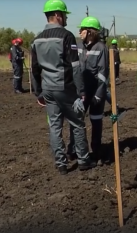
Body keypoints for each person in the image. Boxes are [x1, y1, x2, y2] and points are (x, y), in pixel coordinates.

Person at [31, 0, 95, 175]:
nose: (66, 18)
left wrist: (39, 93)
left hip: (48, 89)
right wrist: (81, 91)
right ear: (58, 15)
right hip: (65, 88)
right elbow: (75, 67)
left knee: (54, 126)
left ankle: (61, 164)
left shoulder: (36, 39)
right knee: (77, 123)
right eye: (65, 15)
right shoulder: (66, 37)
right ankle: (83, 160)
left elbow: (34, 69)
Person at [67, 16, 109, 163]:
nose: (79, 32)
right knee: (76, 121)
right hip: (81, 92)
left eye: (82, 29)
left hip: (96, 91)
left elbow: (103, 73)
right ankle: (73, 150)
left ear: (90, 32)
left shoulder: (101, 48)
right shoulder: (77, 46)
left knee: (96, 121)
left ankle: (96, 151)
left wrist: (98, 95)